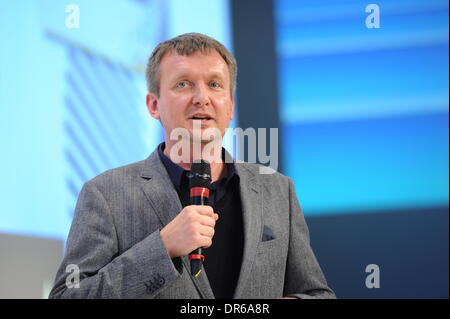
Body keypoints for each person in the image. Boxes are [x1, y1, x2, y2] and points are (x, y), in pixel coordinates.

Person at [49, 33, 335, 299]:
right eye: (183, 84)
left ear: (230, 105)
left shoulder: (277, 190)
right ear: (153, 105)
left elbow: (316, 293)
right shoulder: (106, 194)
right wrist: (162, 248)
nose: (202, 98)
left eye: (214, 84)